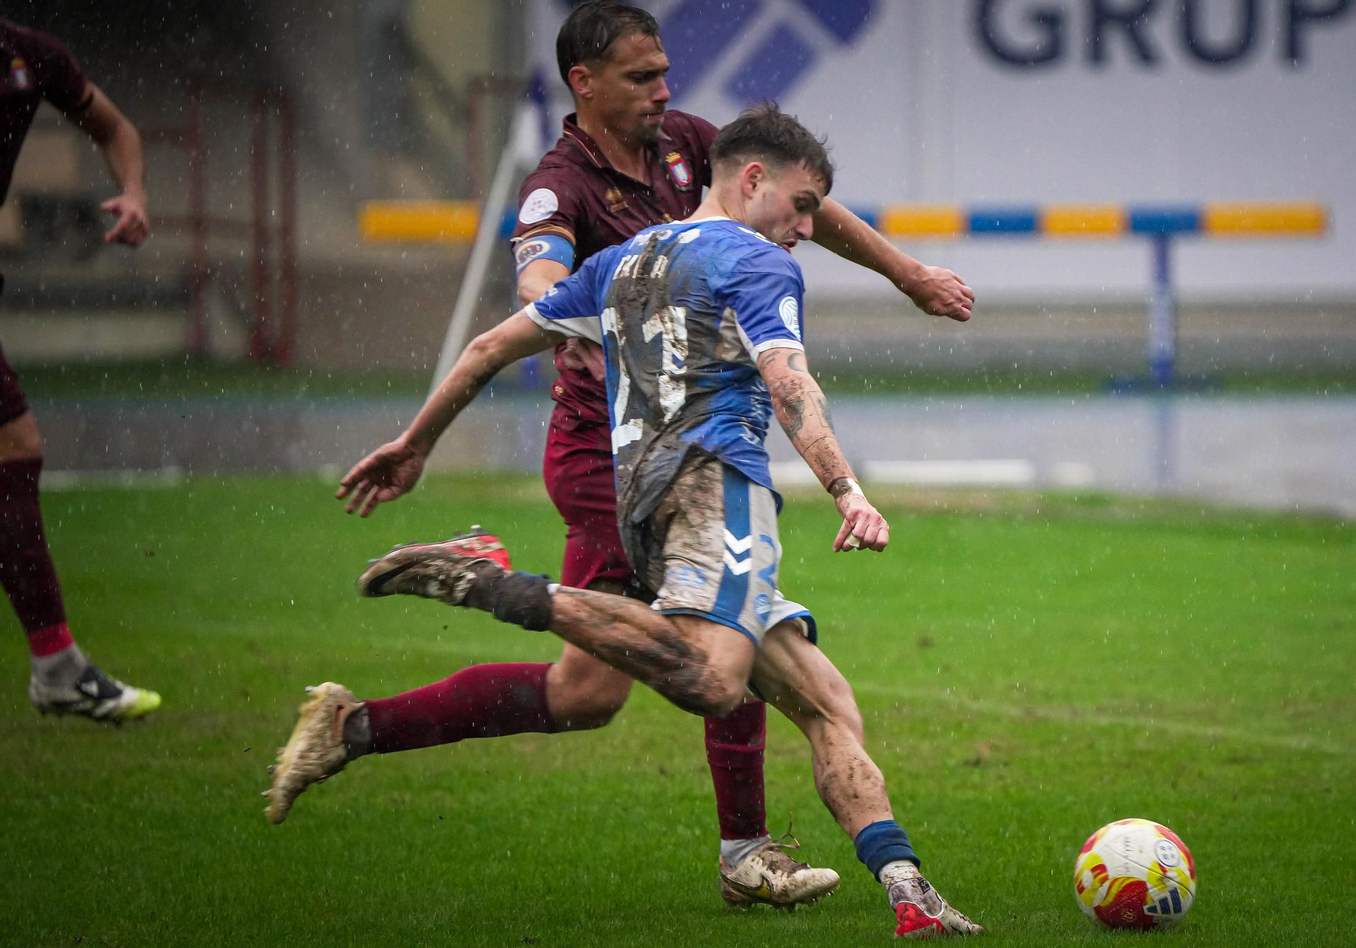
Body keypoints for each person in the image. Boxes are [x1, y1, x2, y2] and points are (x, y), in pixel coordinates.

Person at [265, 0, 974, 910]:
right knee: (716, 654)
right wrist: (583, 323)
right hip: (618, 454)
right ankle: (741, 845)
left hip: (663, 446)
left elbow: (799, 200)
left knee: (592, 692)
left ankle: (357, 727)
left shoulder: (691, 147)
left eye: (665, 71)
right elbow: (539, 282)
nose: (664, 91)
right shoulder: (561, 184)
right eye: (641, 77)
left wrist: (906, 272)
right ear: (583, 83)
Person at [0, 17, 158, 722]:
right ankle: (57, 667)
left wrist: (135, 192)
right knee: (15, 448)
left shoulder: (31, 56)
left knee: (14, 450)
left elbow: (116, 128)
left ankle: (57, 666)